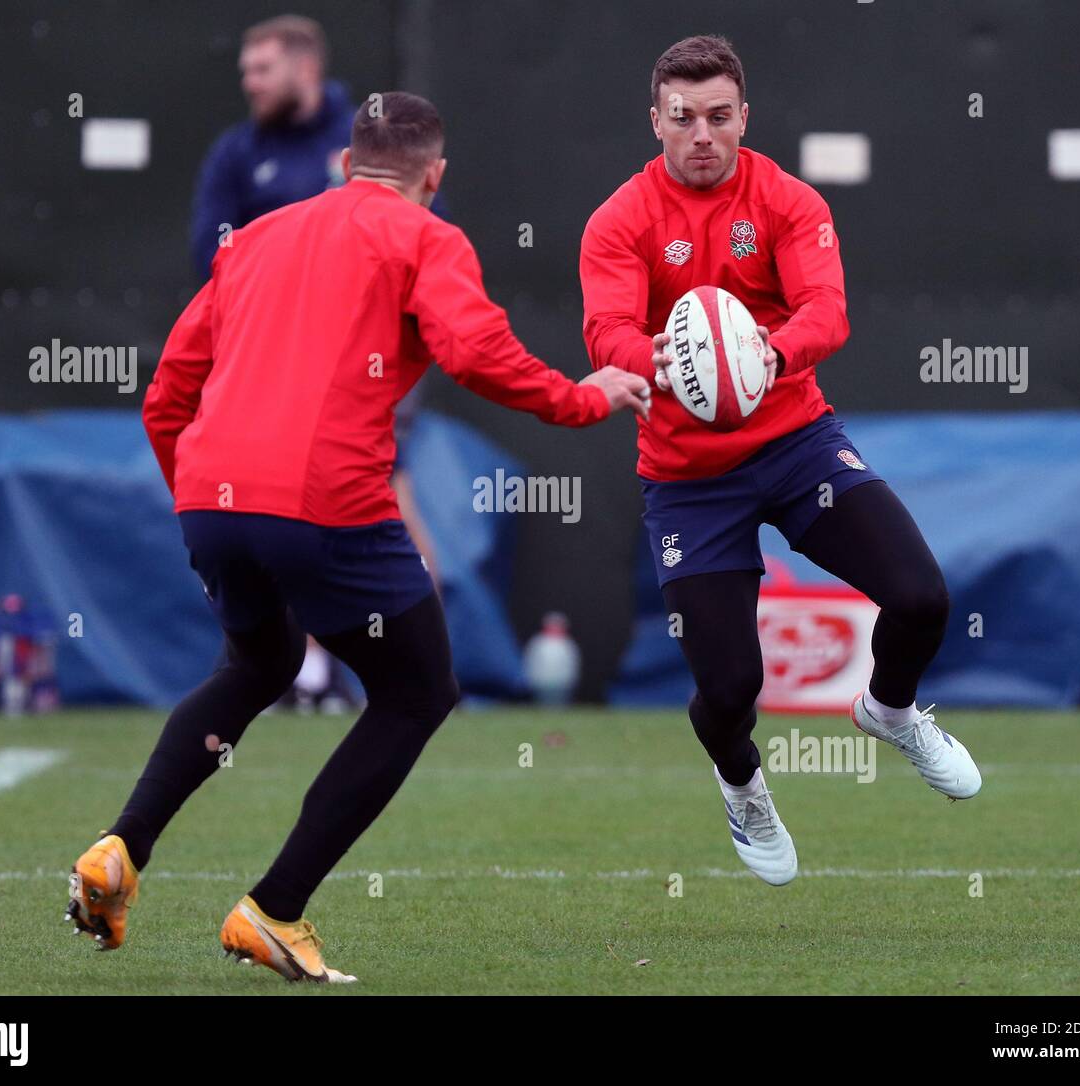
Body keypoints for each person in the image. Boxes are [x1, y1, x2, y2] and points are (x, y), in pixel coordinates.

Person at [65, 91, 650, 982]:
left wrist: (201, 499)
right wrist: (585, 398)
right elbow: (474, 353)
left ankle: (120, 848)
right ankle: (274, 908)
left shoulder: (253, 237)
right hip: (324, 497)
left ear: (345, 163)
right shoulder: (428, 236)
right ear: (435, 175)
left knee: (256, 667)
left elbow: (168, 392)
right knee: (419, 693)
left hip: (212, 496)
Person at [579, 35, 980, 888]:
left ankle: (891, 709)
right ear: (655, 120)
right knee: (729, 690)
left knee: (921, 596)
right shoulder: (620, 220)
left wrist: (763, 352)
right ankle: (742, 784)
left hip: (796, 444)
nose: (702, 136)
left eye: (719, 117)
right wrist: (674, 357)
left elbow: (826, 314)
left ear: (744, 117)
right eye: (682, 118)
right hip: (688, 480)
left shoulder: (787, 199)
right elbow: (606, 334)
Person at [189, 15, 354, 282]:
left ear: (307, 70)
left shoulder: (367, 140)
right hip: (267, 311)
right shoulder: (234, 152)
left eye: (263, 69)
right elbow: (214, 245)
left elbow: (416, 223)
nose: (250, 83)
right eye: (247, 71)